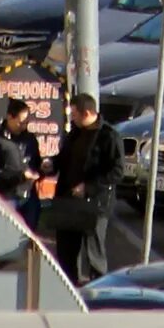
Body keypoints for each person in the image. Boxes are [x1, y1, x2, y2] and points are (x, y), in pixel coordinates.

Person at [45, 92, 118, 279]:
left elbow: (116, 172)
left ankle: (99, 293)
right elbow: (64, 159)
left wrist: (89, 187)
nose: (72, 118)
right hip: (69, 202)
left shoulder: (108, 136)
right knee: (66, 252)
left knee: (94, 252)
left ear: (86, 113)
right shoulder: (75, 133)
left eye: (75, 114)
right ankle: (69, 286)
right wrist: (51, 164)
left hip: (94, 204)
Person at [0, 97, 45, 225]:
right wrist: (20, 176)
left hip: (29, 195)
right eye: (20, 122)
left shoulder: (30, 139)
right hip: (8, 195)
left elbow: (36, 164)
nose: (24, 126)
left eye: (26, 122)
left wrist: (43, 169)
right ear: (9, 117)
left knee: (30, 235)